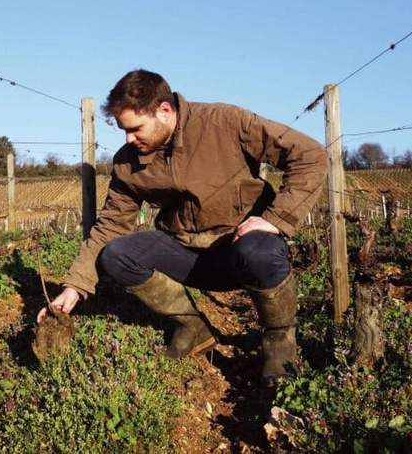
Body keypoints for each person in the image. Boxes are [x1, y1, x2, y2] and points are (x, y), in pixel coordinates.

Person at [37, 69, 328, 384]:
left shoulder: (225, 121)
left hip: (243, 250)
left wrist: (275, 219)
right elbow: (110, 225)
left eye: (135, 129)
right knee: (117, 253)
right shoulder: (128, 162)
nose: (128, 139)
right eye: (123, 130)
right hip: (188, 258)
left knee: (259, 250)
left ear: (164, 110)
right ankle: (193, 326)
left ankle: (280, 341)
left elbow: (310, 155)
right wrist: (74, 288)